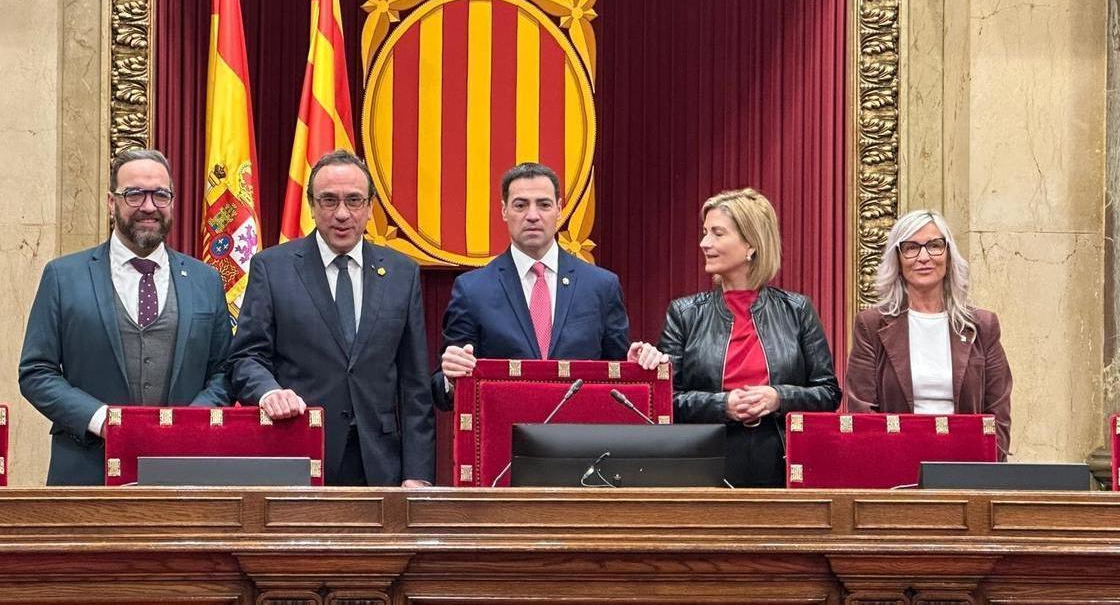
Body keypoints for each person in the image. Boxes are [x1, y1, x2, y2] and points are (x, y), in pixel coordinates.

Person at [18, 149, 232, 485]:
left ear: (172, 201)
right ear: (110, 201)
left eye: (160, 194)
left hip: (185, 473)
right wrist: (101, 420)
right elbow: (36, 372)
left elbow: (224, 371)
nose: (149, 206)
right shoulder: (63, 276)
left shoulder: (206, 280)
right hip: (87, 471)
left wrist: (189, 422)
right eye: (135, 194)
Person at [229, 150, 433, 486]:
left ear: (370, 208)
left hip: (379, 463)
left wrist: (418, 474)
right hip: (297, 450)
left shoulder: (402, 273)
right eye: (328, 200)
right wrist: (268, 393)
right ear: (311, 205)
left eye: (354, 200)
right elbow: (246, 358)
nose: (341, 214)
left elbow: (414, 384)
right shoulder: (273, 268)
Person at [434, 162, 664, 410]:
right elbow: (441, 389)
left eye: (543, 204)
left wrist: (632, 366)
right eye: (520, 205)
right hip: (503, 437)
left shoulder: (601, 286)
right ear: (503, 211)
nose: (532, 215)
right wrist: (451, 377)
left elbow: (617, 373)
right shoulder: (472, 290)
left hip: (579, 439)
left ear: (559, 209)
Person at [657, 188, 840, 487]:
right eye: (705, 233)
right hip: (704, 462)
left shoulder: (798, 310)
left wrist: (778, 397)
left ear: (751, 245)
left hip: (780, 462)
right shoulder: (684, 313)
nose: (705, 243)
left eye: (717, 233)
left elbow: (828, 393)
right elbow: (665, 400)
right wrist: (722, 404)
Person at [845, 209, 1012, 458]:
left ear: (949, 256)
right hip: (895, 466)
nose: (924, 257)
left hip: (968, 469)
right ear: (898, 260)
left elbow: (998, 411)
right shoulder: (871, 326)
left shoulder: (982, 326)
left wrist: (984, 471)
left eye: (934, 245)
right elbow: (861, 410)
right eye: (911, 248)